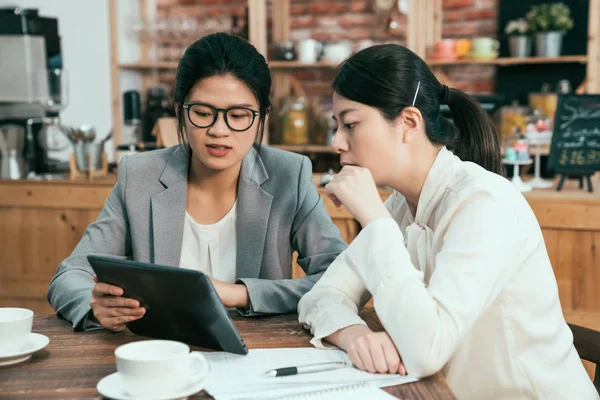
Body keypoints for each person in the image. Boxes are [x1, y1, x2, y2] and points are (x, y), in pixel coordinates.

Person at [298, 44, 597, 399]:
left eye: (350, 124)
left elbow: (426, 349)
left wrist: (374, 221)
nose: (336, 142)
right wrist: (354, 335)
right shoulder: (401, 205)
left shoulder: (485, 203)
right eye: (337, 126)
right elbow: (322, 296)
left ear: (409, 122)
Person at [48, 33, 347, 333]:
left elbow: (341, 276)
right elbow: (70, 275)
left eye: (238, 115)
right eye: (203, 113)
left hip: (259, 355)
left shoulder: (289, 176)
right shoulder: (139, 176)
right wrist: (93, 304)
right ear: (180, 111)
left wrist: (239, 294)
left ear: (262, 117)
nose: (219, 130)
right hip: (162, 354)